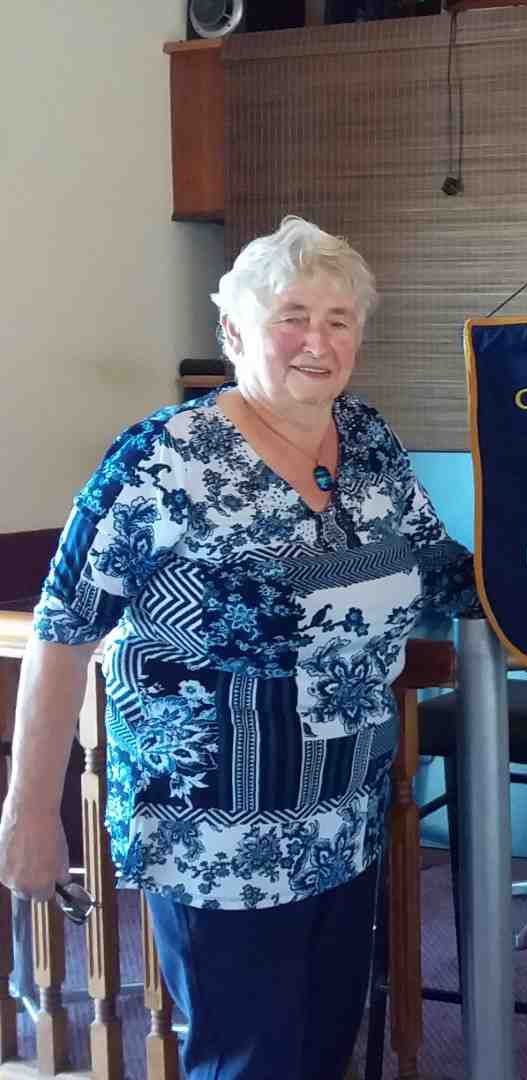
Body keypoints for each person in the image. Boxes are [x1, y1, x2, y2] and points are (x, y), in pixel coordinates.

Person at [0, 216, 478, 1079]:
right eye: (292, 315)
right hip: (215, 837)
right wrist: (32, 812)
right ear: (233, 332)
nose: (317, 341)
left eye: (340, 319)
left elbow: (440, 571)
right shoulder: (165, 462)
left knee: (322, 1050)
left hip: (345, 817)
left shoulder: (369, 443)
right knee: (250, 1061)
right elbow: (64, 628)